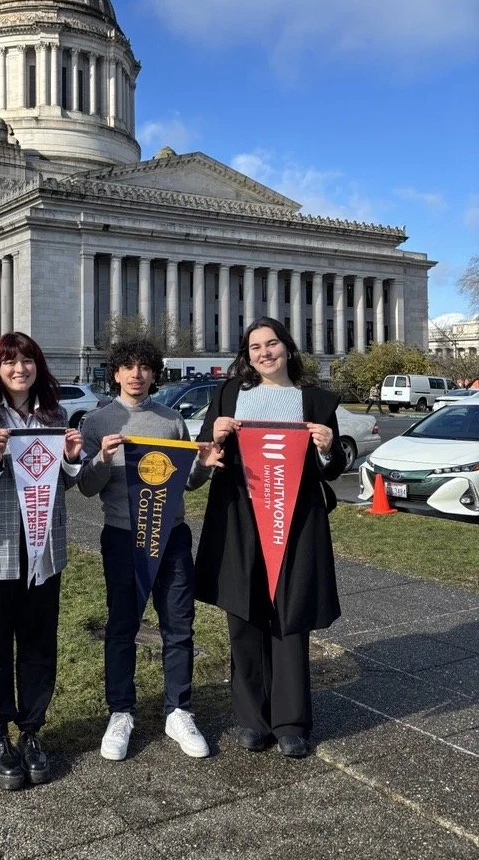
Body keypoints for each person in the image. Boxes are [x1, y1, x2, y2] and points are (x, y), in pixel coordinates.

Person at [192, 317, 345, 760]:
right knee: (244, 616)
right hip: (240, 520)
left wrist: (327, 447)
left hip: (295, 522)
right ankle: (252, 719)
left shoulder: (314, 400)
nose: (264, 353)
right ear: (247, 355)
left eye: (272, 343)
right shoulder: (228, 396)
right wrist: (214, 441)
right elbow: (206, 457)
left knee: (289, 617)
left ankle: (291, 722)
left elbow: (329, 469)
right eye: (255, 346)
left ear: (288, 348)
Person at [0, 332, 83, 790]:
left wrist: (71, 461)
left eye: (27, 360)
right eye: (9, 362)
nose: (19, 369)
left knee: (37, 646)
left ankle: (31, 730)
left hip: (42, 548)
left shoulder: (55, 414)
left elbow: (64, 484)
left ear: (38, 368)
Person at [79, 338, 210, 763]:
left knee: (179, 626)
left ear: (154, 373)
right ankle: (120, 712)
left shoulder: (172, 420)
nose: (136, 374)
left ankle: (179, 710)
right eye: (128, 367)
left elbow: (186, 482)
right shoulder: (97, 422)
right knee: (122, 627)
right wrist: (100, 458)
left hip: (171, 537)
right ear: (115, 373)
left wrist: (205, 465)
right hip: (122, 537)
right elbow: (85, 486)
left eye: (145, 367)